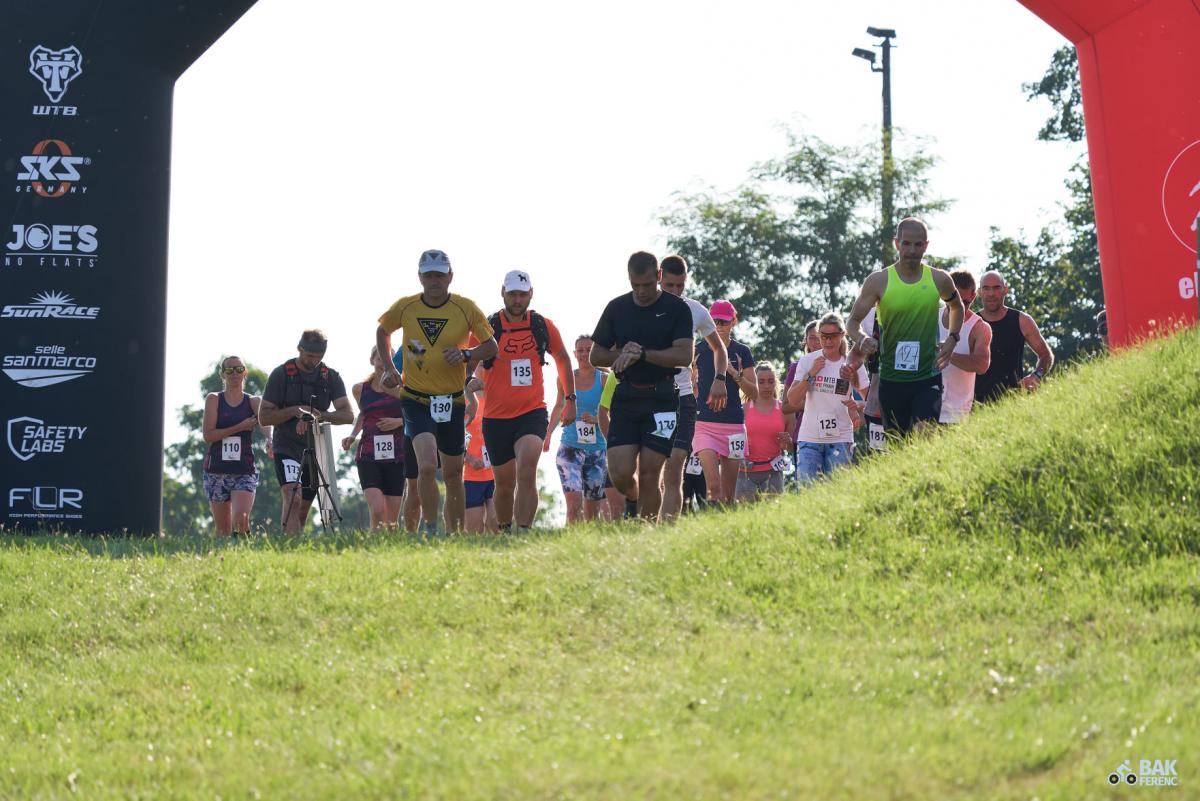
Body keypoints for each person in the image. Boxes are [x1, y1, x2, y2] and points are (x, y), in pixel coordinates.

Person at [376, 249, 498, 536]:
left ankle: (453, 534)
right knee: (427, 465)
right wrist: (391, 367)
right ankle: (431, 530)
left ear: (450, 277)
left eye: (439, 276)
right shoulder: (406, 307)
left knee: (455, 474)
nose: (434, 281)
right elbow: (383, 330)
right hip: (416, 399)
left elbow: (491, 345)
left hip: (452, 401)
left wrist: (467, 355)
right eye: (428, 275)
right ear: (420, 277)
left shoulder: (465, 308)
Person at [589, 251, 693, 521]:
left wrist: (643, 353)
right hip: (626, 397)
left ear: (658, 276)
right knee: (621, 474)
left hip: (663, 399)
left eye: (648, 284)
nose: (642, 291)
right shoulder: (617, 307)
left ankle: (645, 532)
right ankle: (634, 499)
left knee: (650, 471)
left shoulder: (677, 309)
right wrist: (624, 352)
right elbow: (596, 355)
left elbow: (684, 356)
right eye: (636, 285)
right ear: (629, 279)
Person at [467, 270, 574, 531]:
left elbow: (562, 358)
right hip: (495, 417)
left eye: (522, 294)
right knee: (504, 484)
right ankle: (504, 530)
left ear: (531, 294)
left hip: (532, 412)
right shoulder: (487, 327)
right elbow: (468, 361)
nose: (517, 300)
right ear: (503, 292)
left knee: (526, 469)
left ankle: (524, 530)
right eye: (512, 294)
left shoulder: (542, 326)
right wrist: (468, 383)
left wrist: (570, 398)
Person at [846, 218, 964, 434]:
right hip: (891, 378)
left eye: (918, 244)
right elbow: (852, 322)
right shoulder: (879, 281)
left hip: (927, 376)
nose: (912, 250)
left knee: (924, 433)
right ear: (897, 243)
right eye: (907, 244)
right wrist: (862, 339)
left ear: (926, 245)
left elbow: (957, 307)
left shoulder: (939, 279)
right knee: (897, 444)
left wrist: (952, 338)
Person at [258, 330, 354, 534]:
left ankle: (293, 547)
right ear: (299, 349)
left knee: (302, 510)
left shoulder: (330, 377)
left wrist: (316, 415)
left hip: (316, 447)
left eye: (319, 357)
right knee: (293, 497)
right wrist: (294, 411)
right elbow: (264, 417)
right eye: (310, 356)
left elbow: (348, 415)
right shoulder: (281, 374)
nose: (314, 361)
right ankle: (290, 549)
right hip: (287, 446)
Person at [658, 255, 728, 521]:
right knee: (651, 470)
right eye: (670, 286)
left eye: (680, 286)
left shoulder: (695, 310)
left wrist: (720, 378)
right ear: (658, 278)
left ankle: (667, 527)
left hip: (683, 397)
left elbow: (719, 349)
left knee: (675, 466)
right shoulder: (640, 309)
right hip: (650, 398)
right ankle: (648, 524)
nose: (676, 292)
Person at [787, 313, 869, 483]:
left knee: (837, 491)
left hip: (841, 439)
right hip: (809, 438)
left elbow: (871, 400)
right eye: (824, 336)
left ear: (842, 335)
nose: (828, 341)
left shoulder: (851, 363)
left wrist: (858, 405)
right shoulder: (808, 361)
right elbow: (793, 400)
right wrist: (811, 374)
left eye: (832, 336)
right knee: (807, 493)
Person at [692, 300, 757, 505]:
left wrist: (732, 372)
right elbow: (685, 384)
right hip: (704, 425)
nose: (719, 326)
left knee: (729, 494)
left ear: (734, 322)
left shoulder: (742, 351)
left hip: (733, 425)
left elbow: (754, 393)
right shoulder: (697, 350)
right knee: (714, 487)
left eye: (724, 322)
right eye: (715, 321)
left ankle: (724, 531)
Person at [341, 346, 407, 530]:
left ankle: (387, 554)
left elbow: (414, 414)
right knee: (377, 509)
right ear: (372, 361)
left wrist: (398, 422)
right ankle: (374, 545)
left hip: (397, 455)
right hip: (368, 455)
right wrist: (352, 435)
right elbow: (363, 415)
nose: (384, 364)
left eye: (390, 359)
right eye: (380, 359)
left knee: (392, 521)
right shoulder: (359, 389)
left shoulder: (403, 389)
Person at [201, 355, 268, 536]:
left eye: (239, 369)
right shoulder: (214, 399)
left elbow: (266, 424)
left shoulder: (254, 402)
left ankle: (246, 553)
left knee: (241, 517)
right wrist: (240, 426)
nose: (234, 374)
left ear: (245, 372)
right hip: (216, 470)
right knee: (223, 531)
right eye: (229, 370)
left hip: (244, 470)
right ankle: (226, 560)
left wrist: (270, 439)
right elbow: (208, 435)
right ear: (222, 375)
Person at [548, 336, 612, 524]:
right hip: (570, 449)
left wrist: (597, 420)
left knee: (592, 513)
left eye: (589, 350)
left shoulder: (605, 380)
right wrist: (548, 434)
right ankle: (568, 546)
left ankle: (587, 547)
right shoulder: (565, 379)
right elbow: (559, 406)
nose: (585, 354)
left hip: (597, 451)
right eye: (581, 350)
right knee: (574, 505)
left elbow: (616, 413)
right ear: (574, 354)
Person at [974, 270, 1055, 403]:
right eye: (986, 288)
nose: (991, 293)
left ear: (1005, 290)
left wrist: (1037, 375)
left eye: (996, 288)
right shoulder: (971, 323)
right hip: (974, 404)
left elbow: (1046, 355)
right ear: (979, 292)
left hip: (1014, 401)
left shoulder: (1022, 320)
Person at [938, 270, 992, 423]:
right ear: (944, 295)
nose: (959, 307)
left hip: (955, 416)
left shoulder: (979, 328)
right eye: (954, 302)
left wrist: (949, 354)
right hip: (924, 410)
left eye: (965, 303)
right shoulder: (930, 317)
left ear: (974, 297)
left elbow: (982, 365)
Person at [736, 362, 794, 500]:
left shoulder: (785, 411)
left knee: (772, 516)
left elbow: (792, 448)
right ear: (754, 383)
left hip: (773, 472)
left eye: (770, 381)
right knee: (745, 516)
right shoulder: (741, 410)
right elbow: (730, 443)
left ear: (776, 383)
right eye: (761, 382)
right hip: (744, 472)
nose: (766, 386)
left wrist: (788, 442)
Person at [462, 387, 498, 533]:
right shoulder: (467, 402)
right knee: (474, 531)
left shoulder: (498, 401)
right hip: (472, 476)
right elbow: (454, 436)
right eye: (482, 366)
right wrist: (468, 458)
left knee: (496, 525)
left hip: (496, 475)